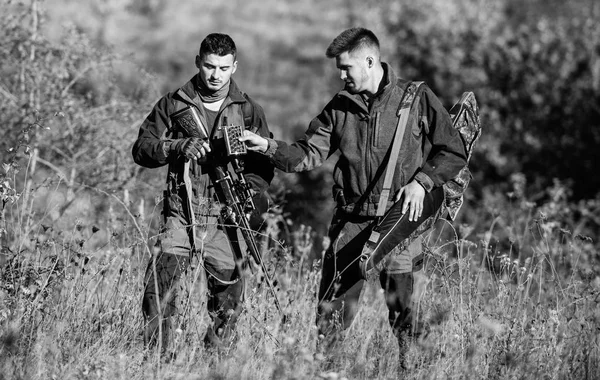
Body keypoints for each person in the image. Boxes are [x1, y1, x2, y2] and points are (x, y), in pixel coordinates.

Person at [240, 27, 467, 368]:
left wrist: (423, 182)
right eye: (339, 69)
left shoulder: (417, 97)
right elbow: (305, 155)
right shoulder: (339, 107)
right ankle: (326, 373)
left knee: (405, 314)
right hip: (350, 222)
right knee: (330, 315)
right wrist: (268, 147)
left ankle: (414, 372)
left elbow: (453, 152)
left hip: (400, 224)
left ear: (371, 60)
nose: (341, 75)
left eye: (346, 68)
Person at [132, 33, 274, 356]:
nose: (215, 75)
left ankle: (214, 365)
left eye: (224, 68)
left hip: (226, 217)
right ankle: (158, 363)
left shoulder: (249, 110)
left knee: (228, 303)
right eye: (209, 66)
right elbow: (142, 148)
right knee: (159, 288)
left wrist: (249, 192)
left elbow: (265, 165)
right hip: (181, 213)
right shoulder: (174, 103)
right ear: (198, 62)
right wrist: (176, 145)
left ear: (234, 66)